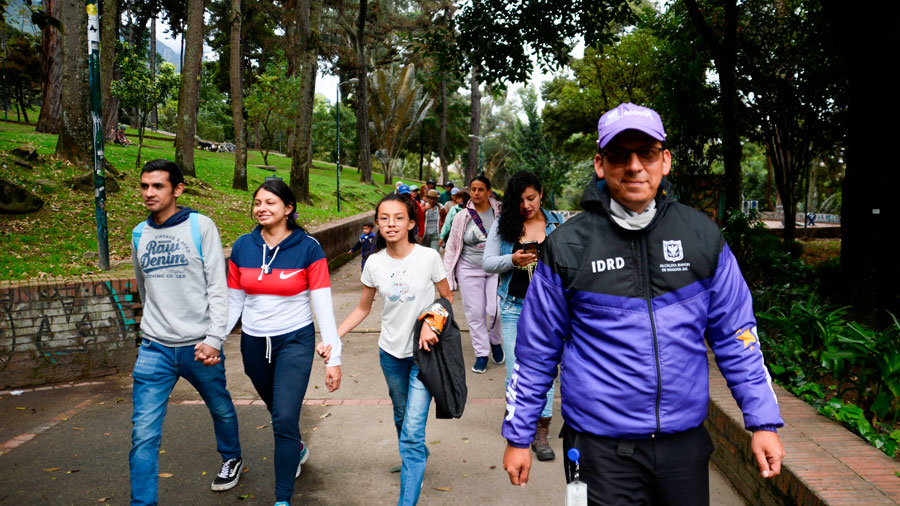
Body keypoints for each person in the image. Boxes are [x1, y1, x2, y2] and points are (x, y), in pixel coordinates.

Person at [501, 103, 785, 505]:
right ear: (600, 165)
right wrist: (519, 435)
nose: (634, 166)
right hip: (598, 452)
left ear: (664, 161)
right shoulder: (567, 247)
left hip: (682, 449)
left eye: (646, 153)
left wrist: (763, 423)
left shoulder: (701, 237)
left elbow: (738, 337)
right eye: (619, 155)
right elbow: (535, 352)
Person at [325, 193, 452, 506]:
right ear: (377, 223)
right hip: (390, 355)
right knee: (400, 415)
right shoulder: (375, 264)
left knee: (411, 430)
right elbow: (363, 308)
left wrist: (431, 323)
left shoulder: (428, 257)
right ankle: (414, 454)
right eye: (384, 218)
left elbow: (446, 299)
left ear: (411, 223)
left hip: (424, 356)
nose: (391, 223)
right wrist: (335, 335)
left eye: (398, 218)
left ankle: (406, 493)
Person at [130, 159, 242, 506]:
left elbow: (217, 288)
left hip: (199, 346)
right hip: (155, 349)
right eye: (145, 186)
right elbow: (143, 287)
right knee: (143, 434)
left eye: (158, 186)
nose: (149, 193)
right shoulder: (139, 233)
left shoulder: (200, 227)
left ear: (177, 189)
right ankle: (142, 502)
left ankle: (231, 456)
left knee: (220, 407)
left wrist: (213, 338)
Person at [226, 180, 343, 506]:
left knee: (284, 417)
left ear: (289, 209)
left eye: (270, 202)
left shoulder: (308, 248)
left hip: (295, 340)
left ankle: (282, 499)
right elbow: (234, 302)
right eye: (257, 202)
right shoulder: (242, 247)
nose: (261, 207)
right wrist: (213, 338)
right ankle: (297, 447)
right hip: (252, 342)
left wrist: (334, 356)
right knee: (280, 412)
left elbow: (322, 305)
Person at [482, 171, 564, 461]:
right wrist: (512, 260)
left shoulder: (557, 223)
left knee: (545, 370)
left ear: (541, 193)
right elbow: (488, 262)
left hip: (549, 310)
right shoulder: (504, 226)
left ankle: (541, 431)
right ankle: (521, 422)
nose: (527, 205)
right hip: (514, 306)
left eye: (531, 198)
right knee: (516, 369)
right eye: (520, 200)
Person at [443, 176, 504, 373]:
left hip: (495, 268)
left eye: (480, 189)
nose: (476, 193)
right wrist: (447, 277)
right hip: (468, 268)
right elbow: (452, 247)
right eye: (473, 189)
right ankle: (481, 353)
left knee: (495, 310)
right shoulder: (462, 216)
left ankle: (495, 341)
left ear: (488, 191)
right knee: (475, 312)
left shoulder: (500, 212)